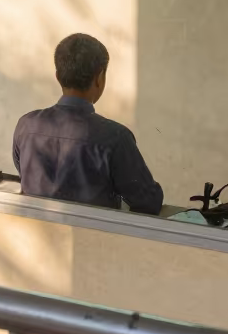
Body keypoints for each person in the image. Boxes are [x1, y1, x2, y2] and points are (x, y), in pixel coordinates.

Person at [13, 34, 164, 214]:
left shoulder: (26, 126)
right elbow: (147, 202)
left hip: (37, 235)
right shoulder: (115, 137)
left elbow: (23, 174)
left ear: (57, 76)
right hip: (94, 239)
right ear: (99, 78)